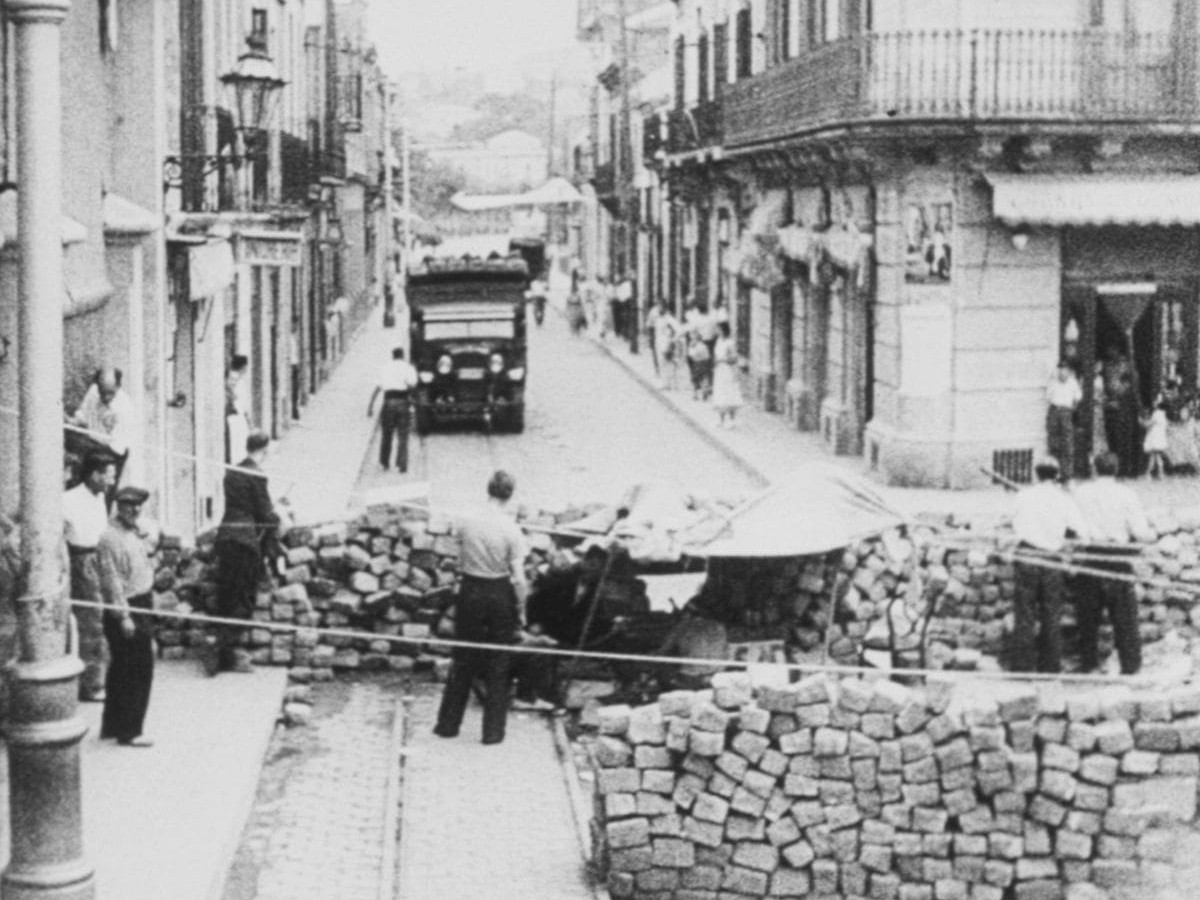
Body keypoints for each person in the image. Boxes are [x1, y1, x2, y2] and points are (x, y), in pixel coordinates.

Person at [435, 470, 530, 746]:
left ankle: (447, 724)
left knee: (463, 658)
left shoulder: (467, 522)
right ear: (510, 495)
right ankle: (492, 733)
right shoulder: (511, 530)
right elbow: (519, 578)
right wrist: (521, 609)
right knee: (498, 662)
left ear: (488, 490)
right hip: (498, 592)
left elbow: (457, 557)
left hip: (470, 590)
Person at [1071, 451, 1153, 674]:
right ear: (1116, 470)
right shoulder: (1127, 494)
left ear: (1095, 469)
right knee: (1125, 618)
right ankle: (1131, 666)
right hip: (1117, 556)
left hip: (1092, 556)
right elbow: (1139, 530)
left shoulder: (1082, 492)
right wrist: (1148, 536)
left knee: (1088, 618)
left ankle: (1088, 664)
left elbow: (1075, 526)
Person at [1010, 456, 1090, 673]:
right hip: (1051, 559)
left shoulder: (1023, 495)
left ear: (1036, 474)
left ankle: (1022, 667)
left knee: (1024, 614)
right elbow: (1083, 534)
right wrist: (1072, 553)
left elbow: (1009, 522)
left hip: (1026, 555)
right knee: (1051, 615)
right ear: (1056, 476)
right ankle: (1050, 667)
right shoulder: (1064, 499)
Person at [212, 430, 281, 675]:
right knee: (242, 596)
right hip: (245, 542)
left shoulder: (233, 471)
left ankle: (222, 648)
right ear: (265, 449)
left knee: (226, 594)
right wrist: (278, 517)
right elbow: (264, 513)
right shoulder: (257, 475)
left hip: (227, 536)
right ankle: (226, 651)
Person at [96, 485, 158, 747]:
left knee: (121, 668)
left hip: (140, 601)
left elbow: (147, 552)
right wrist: (123, 616)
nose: (134, 510)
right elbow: (111, 581)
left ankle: (112, 725)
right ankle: (130, 731)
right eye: (128, 506)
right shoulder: (110, 538)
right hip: (128, 606)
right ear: (117, 507)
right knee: (139, 668)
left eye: (137, 506)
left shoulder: (132, 531)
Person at [64, 452, 117, 701]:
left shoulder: (100, 498)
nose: (111, 481)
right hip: (83, 562)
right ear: (95, 475)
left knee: (108, 619)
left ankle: (104, 677)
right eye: (108, 475)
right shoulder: (68, 500)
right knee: (91, 623)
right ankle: (91, 684)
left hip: (102, 559)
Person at [72, 367, 135, 489]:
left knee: (104, 492)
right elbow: (81, 417)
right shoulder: (93, 392)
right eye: (102, 392)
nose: (106, 397)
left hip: (112, 453)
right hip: (92, 447)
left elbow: (117, 448)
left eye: (110, 393)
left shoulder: (125, 407)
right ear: (97, 385)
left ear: (118, 386)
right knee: (82, 488)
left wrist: (89, 446)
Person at [657, 595, 730, 690]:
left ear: (688, 613)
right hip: (716, 675)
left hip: (691, 677)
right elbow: (725, 650)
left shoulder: (683, 627)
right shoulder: (719, 627)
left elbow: (663, 650)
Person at [367, 347, 419, 473]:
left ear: (393, 356)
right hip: (402, 402)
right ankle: (402, 464)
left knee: (387, 434)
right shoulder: (408, 368)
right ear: (402, 355)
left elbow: (378, 388)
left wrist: (370, 406)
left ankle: (384, 462)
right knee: (403, 435)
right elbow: (413, 384)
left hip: (388, 402)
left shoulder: (385, 368)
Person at [1046, 361, 1082, 479]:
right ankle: (1053, 472)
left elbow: (1077, 397)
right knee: (1053, 442)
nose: (1062, 373)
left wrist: (1071, 409)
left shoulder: (1073, 383)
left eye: (1065, 370)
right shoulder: (1053, 382)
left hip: (1066, 411)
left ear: (1069, 372)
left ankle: (1067, 474)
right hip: (1055, 411)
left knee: (1067, 443)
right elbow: (1048, 397)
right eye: (1060, 370)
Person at [711, 321, 743, 429]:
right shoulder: (718, 341)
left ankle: (732, 420)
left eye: (719, 329)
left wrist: (723, 359)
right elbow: (716, 354)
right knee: (720, 393)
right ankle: (721, 419)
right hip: (719, 370)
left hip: (727, 369)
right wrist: (716, 362)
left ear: (723, 330)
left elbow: (734, 358)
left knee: (729, 393)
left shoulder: (730, 342)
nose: (717, 331)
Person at [225, 355, 251, 465]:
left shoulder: (238, 376)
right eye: (246, 366)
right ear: (242, 366)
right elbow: (229, 388)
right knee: (237, 442)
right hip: (235, 414)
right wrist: (233, 399)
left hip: (240, 413)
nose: (246, 368)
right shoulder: (234, 376)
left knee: (241, 440)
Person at [655, 305, 681, 391]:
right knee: (661, 364)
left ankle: (673, 384)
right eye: (658, 307)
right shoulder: (658, 319)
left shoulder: (670, 319)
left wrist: (672, 341)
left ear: (665, 308)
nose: (659, 308)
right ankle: (665, 384)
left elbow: (679, 331)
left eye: (661, 306)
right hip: (659, 344)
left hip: (667, 344)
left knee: (670, 364)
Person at [1143, 398, 1169, 479]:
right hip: (1160, 438)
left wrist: (1142, 421)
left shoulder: (1156, 414)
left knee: (1153, 456)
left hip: (1155, 438)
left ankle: (1148, 474)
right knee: (1158, 457)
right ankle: (1160, 473)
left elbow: (1149, 424)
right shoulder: (1164, 414)